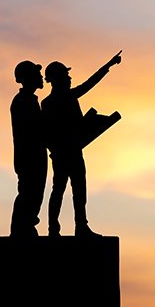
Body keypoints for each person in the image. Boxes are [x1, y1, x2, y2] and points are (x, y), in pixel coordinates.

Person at [42, 51, 122, 237]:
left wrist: (108, 65)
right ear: (57, 79)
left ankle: (80, 226)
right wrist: (56, 149)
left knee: (78, 190)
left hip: (74, 152)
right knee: (59, 190)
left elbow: (91, 82)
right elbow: (46, 132)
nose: (69, 78)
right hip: (63, 155)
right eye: (66, 75)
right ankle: (54, 229)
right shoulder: (49, 103)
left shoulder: (68, 97)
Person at [9, 60, 48, 237]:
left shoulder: (28, 100)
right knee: (28, 194)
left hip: (33, 155)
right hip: (29, 157)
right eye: (37, 73)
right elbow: (32, 130)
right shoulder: (22, 101)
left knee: (33, 194)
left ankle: (25, 227)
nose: (41, 76)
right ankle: (21, 230)